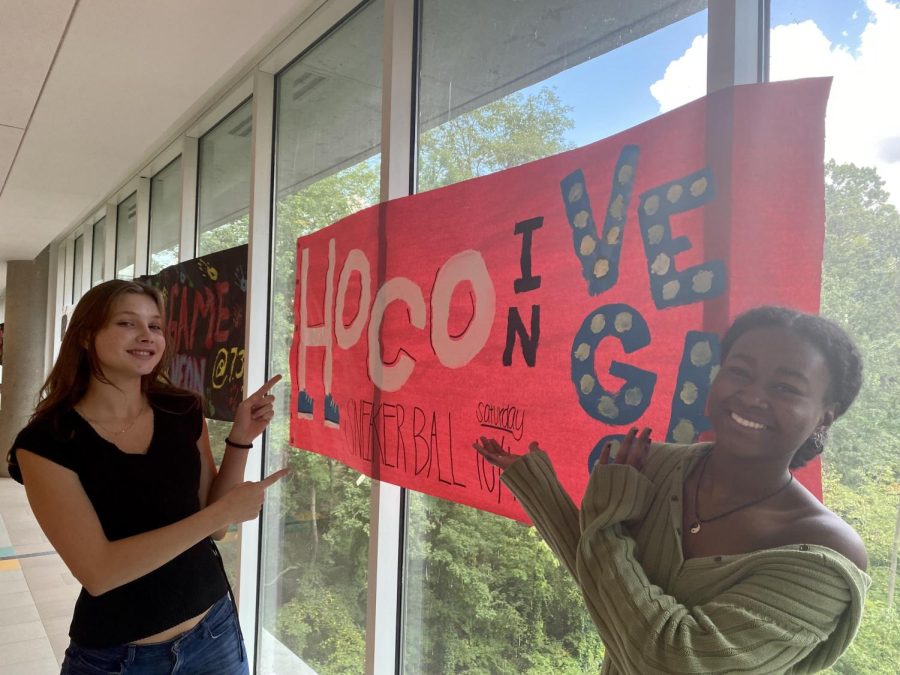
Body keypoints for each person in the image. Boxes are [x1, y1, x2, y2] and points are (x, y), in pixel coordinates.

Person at [475, 306, 870, 674]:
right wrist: (538, 487)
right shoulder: (655, 465)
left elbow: (669, 659)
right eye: (739, 372)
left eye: (785, 387)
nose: (752, 396)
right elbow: (606, 588)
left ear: (825, 416)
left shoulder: (825, 553)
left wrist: (611, 521)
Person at [6, 279, 289, 674]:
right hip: (120, 658)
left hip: (214, 634)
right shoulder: (46, 443)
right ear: (86, 336)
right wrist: (219, 513)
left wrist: (240, 440)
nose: (146, 336)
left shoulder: (182, 410)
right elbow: (99, 571)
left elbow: (215, 527)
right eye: (127, 323)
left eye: (155, 326)